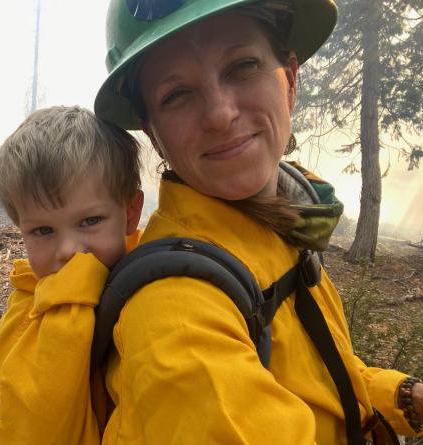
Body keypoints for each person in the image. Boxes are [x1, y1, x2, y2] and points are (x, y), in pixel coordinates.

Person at [89, 0, 423, 444]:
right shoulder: (176, 317)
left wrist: (405, 397)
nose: (220, 114)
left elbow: (319, 377)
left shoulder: (280, 228)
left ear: (290, 78)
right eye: (177, 94)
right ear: (153, 134)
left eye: (242, 66)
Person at [0, 105, 143, 444]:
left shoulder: (153, 282)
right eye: (43, 230)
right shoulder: (30, 310)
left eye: (90, 221)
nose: (68, 250)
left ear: (130, 212)